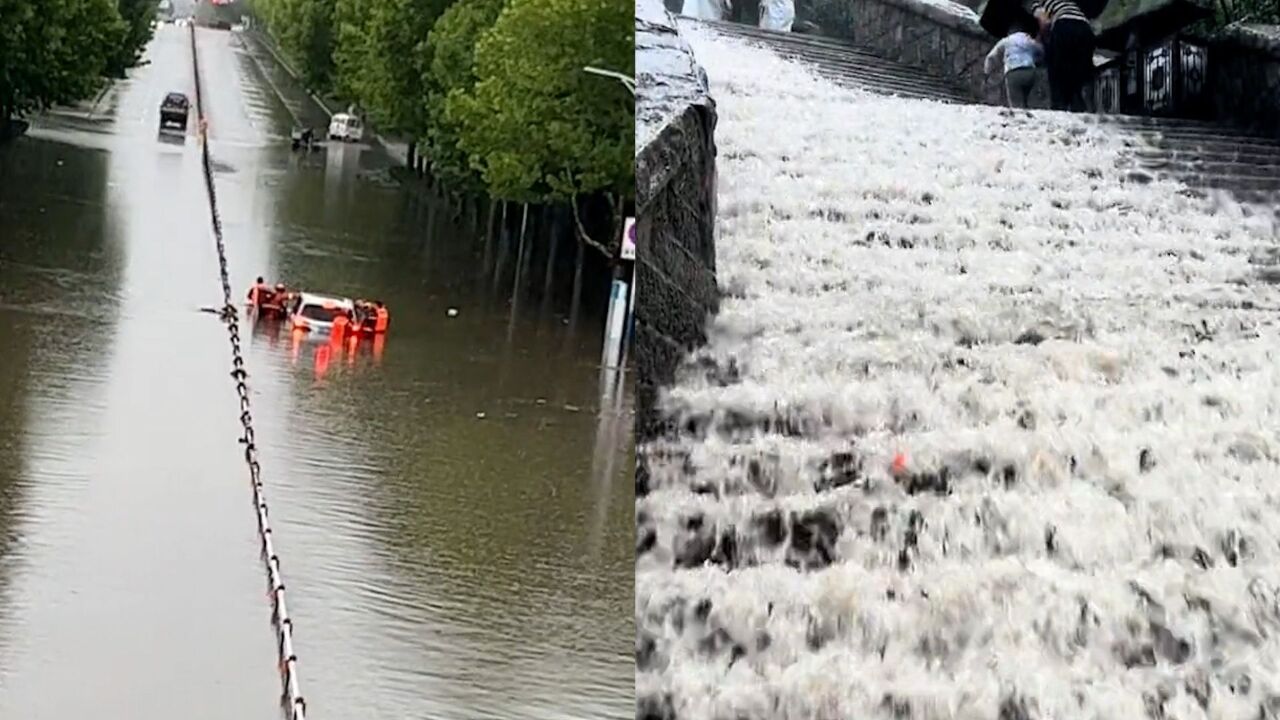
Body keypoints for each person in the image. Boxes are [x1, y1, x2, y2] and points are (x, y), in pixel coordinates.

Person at [1033, 0, 1096, 112]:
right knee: (1079, 69)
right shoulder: (1070, 2)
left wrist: (1043, 39)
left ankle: (1059, 105)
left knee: (1057, 68)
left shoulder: (1039, 3)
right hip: (1085, 28)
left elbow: (1045, 22)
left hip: (1064, 25)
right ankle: (1078, 104)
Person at [984, 27, 1043, 109]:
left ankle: (1020, 118)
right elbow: (1041, 51)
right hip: (1030, 72)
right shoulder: (1029, 40)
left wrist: (987, 71)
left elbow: (991, 57)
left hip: (1013, 72)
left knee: (1016, 103)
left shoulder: (1006, 41)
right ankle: (1026, 115)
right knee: (1025, 99)